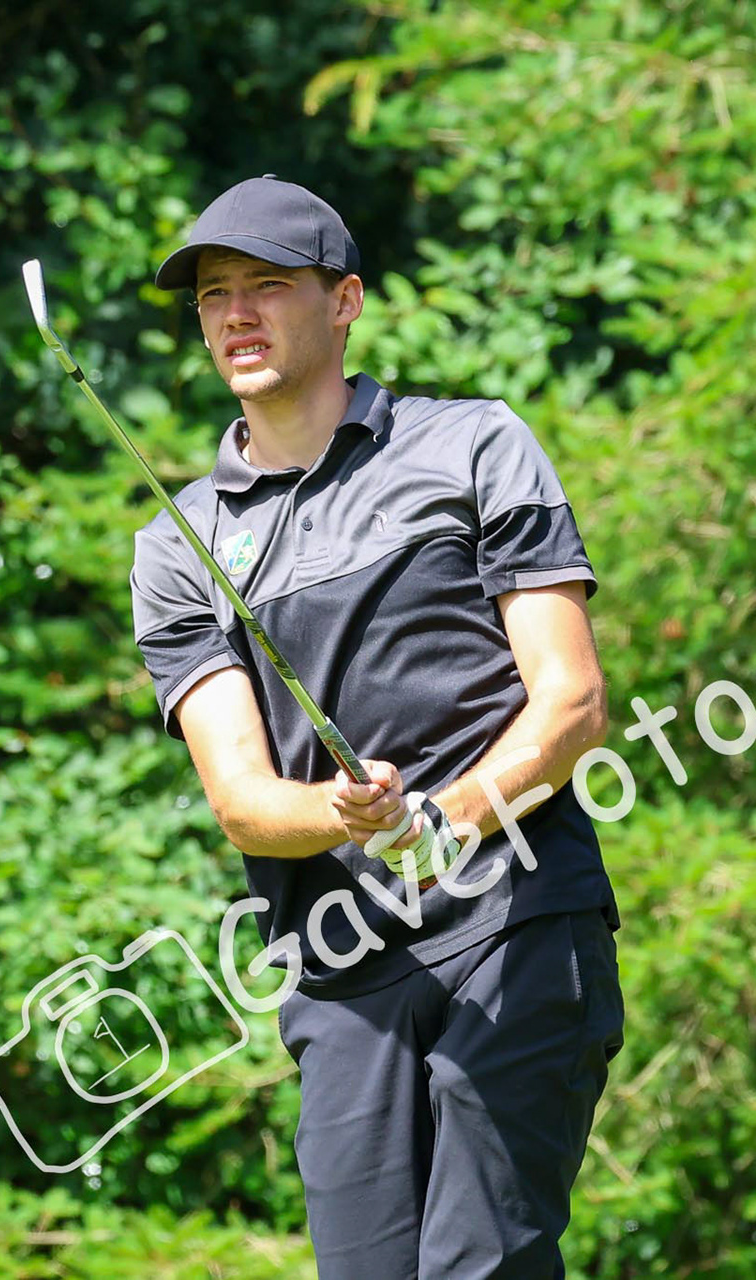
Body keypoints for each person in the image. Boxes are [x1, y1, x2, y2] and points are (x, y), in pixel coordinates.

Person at [129, 175, 626, 1278]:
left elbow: (573, 701)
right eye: (215, 296)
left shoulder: (474, 447)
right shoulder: (177, 545)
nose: (237, 316)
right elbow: (244, 803)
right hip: (340, 959)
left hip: (518, 919)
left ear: (345, 300)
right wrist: (347, 812)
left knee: (477, 1266)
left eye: (269, 285)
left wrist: (443, 817)